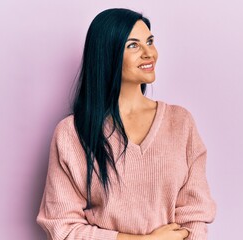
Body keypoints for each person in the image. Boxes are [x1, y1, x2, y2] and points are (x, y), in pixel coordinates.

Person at [36, 8, 216, 240]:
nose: (149, 53)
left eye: (150, 42)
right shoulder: (72, 134)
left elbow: (195, 216)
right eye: (133, 45)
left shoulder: (180, 123)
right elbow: (62, 226)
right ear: (107, 54)